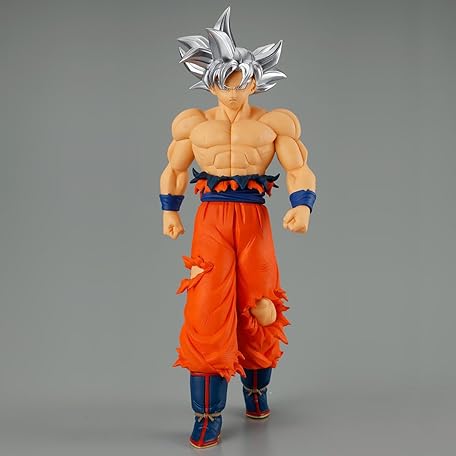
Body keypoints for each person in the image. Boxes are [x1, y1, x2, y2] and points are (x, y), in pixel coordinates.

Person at [159, 7, 317, 448]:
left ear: (254, 81)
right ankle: (207, 415)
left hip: (253, 221)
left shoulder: (273, 122)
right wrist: (170, 211)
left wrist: (303, 205)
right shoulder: (192, 124)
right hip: (210, 220)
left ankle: (256, 393)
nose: (232, 93)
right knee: (206, 310)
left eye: (240, 83)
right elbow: (174, 169)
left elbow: (299, 169)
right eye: (224, 84)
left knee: (262, 306)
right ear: (210, 83)